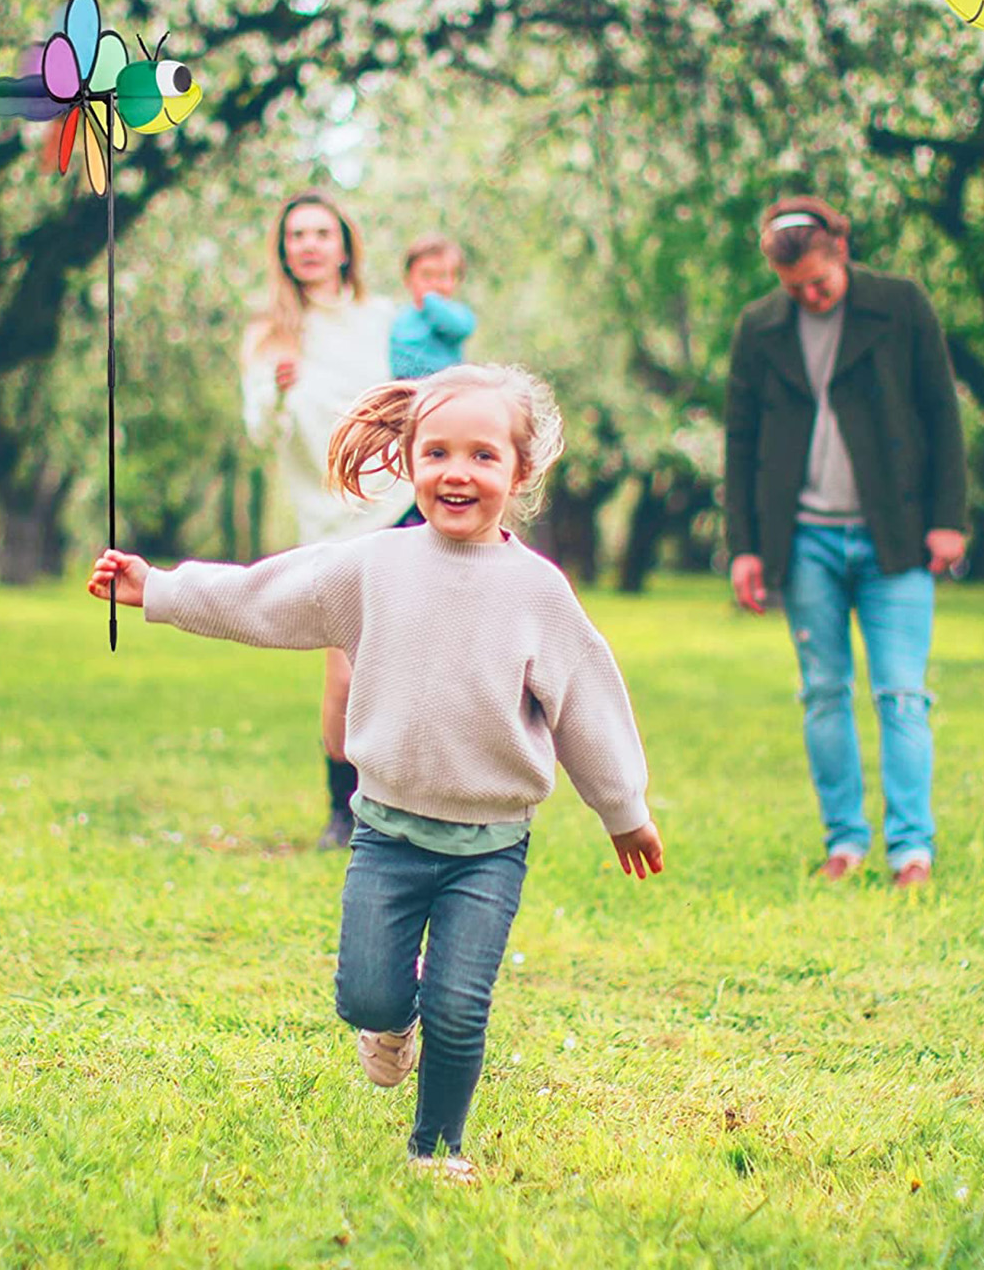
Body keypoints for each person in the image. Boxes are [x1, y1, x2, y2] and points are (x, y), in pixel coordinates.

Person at [89, 363, 665, 1181]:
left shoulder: (538, 591)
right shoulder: (373, 566)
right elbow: (263, 596)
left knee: (460, 1008)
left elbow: (589, 705)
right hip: (387, 834)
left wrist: (624, 808)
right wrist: (159, 588)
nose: (456, 472)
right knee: (367, 995)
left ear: (520, 471)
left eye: (481, 455)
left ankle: (436, 1148)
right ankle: (390, 1020)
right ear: (407, 460)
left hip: (488, 846)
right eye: (436, 453)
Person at [724, 196, 968, 888]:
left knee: (899, 691)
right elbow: (739, 440)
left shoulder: (900, 304)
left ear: (840, 247)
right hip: (803, 539)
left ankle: (910, 849)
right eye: (793, 286)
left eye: (818, 280)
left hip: (895, 533)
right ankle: (844, 841)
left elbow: (940, 411)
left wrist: (948, 517)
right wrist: (744, 545)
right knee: (824, 691)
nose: (808, 295)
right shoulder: (761, 327)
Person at [242, 191, 415, 850]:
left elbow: (419, 389)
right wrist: (279, 389)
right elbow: (260, 430)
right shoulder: (271, 335)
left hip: (402, 502)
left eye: (321, 233)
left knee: (412, 659)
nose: (309, 245)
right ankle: (341, 810)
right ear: (283, 250)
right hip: (332, 520)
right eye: (296, 236)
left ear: (344, 244)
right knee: (346, 671)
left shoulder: (383, 318)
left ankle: (408, 804)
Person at [391, 233, 478, 380]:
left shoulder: (457, 314)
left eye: (443, 276)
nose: (435, 284)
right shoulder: (400, 318)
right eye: (426, 275)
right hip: (406, 388)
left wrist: (430, 301)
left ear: (457, 281)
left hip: (443, 388)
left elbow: (460, 327)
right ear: (408, 279)